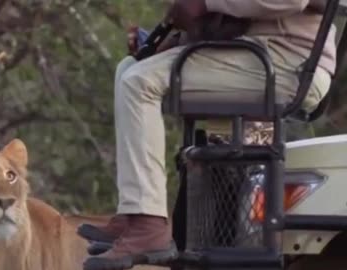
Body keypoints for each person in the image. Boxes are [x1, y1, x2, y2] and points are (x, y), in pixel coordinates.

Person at [80, 0, 336, 269]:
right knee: (128, 69)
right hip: (254, 52)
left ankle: (149, 224)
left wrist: (205, 4)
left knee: (139, 82)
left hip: (286, 60)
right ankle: (135, 212)